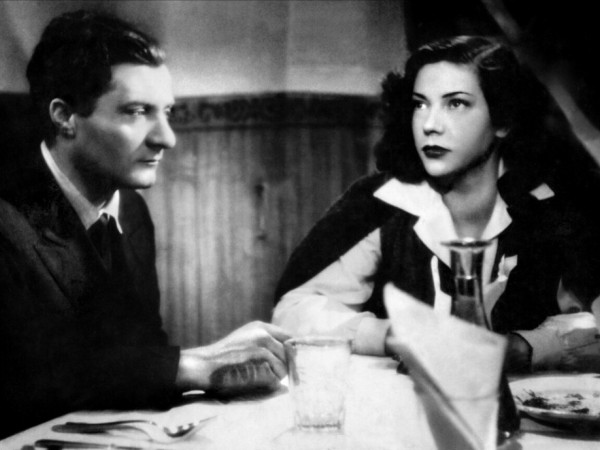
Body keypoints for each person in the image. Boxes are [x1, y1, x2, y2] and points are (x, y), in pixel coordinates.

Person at [0, 10, 289, 438]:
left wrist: (203, 370)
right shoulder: (7, 221)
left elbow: (141, 351)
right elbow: (32, 382)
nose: (166, 138)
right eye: (136, 112)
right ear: (64, 117)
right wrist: (199, 364)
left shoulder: (131, 210)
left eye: (166, 112)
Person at [273, 35, 600, 372]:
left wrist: (525, 347)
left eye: (455, 104)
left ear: (502, 120)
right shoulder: (383, 203)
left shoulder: (549, 209)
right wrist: (392, 335)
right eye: (420, 104)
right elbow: (295, 311)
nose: (430, 125)